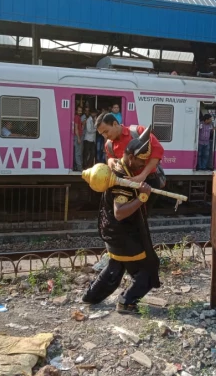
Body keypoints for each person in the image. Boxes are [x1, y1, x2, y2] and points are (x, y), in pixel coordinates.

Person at [81, 131, 161, 314]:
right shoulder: (122, 181)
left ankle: (90, 297)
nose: (143, 165)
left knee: (115, 267)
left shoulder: (121, 167)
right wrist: (142, 197)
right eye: (141, 161)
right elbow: (119, 213)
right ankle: (126, 302)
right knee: (149, 268)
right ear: (132, 157)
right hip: (124, 236)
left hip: (114, 233)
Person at [96, 113, 165, 188]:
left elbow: (157, 152)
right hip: (127, 185)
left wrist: (142, 175)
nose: (105, 136)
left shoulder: (138, 131)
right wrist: (110, 161)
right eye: (102, 134)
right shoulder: (108, 145)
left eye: (106, 131)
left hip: (149, 181)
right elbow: (112, 162)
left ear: (115, 124)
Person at [73, 105, 84, 171]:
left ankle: (78, 167)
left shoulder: (78, 117)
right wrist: (78, 138)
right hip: (78, 136)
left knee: (78, 152)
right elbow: (76, 128)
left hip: (79, 136)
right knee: (78, 153)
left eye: (81, 111)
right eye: (79, 110)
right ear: (76, 111)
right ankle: (79, 168)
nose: (80, 112)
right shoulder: (77, 117)